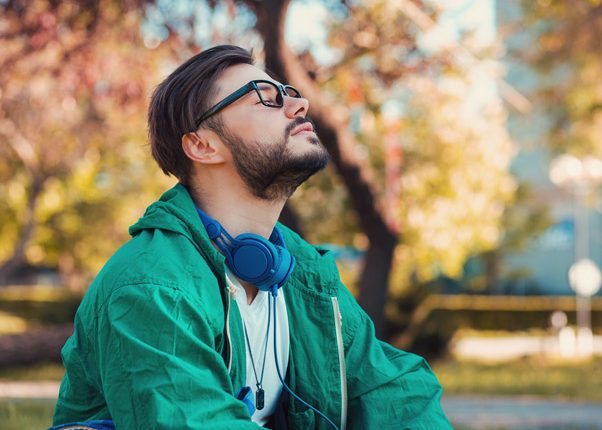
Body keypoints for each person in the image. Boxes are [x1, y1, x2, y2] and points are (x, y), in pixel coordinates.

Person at [52, 45, 452, 430]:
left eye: (289, 94)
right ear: (203, 145)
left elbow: (397, 390)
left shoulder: (304, 273)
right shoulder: (152, 287)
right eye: (264, 97)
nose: (299, 105)